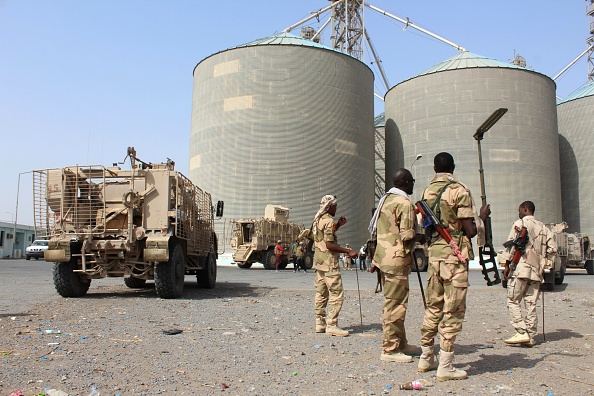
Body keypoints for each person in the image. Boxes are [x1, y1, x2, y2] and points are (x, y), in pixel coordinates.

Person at [417, 152, 490, 381]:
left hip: (435, 254)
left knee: (433, 306)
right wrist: (481, 218)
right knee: (454, 309)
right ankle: (446, 365)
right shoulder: (459, 190)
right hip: (454, 254)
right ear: (453, 167)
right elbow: (469, 230)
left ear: (434, 168)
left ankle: (426, 356)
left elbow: (425, 230)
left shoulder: (426, 192)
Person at [369, 168, 422, 363]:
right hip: (396, 260)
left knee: (394, 302)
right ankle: (390, 349)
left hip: (384, 257)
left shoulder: (386, 200)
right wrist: (422, 235)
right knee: (395, 305)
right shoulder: (404, 203)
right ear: (407, 183)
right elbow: (407, 235)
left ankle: (401, 343)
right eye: (412, 181)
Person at [500, 201, 557, 347]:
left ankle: (521, 331)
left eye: (520, 210)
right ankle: (531, 337)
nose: (518, 213)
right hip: (536, 272)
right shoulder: (543, 228)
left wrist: (506, 264)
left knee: (513, 300)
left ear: (525, 209)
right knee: (531, 304)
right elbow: (553, 249)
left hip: (521, 268)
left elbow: (512, 245)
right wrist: (545, 264)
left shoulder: (520, 223)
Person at [312, 194, 358, 337]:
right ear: (330, 206)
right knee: (336, 294)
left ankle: (320, 323)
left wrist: (338, 225)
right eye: (335, 206)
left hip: (319, 263)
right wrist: (348, 251)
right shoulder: (329, 221)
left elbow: (324, 237)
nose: (336, 208)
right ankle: (332, 324)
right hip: (330, 263)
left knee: (321, 293)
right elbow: (329, 244)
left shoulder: (318, 219)